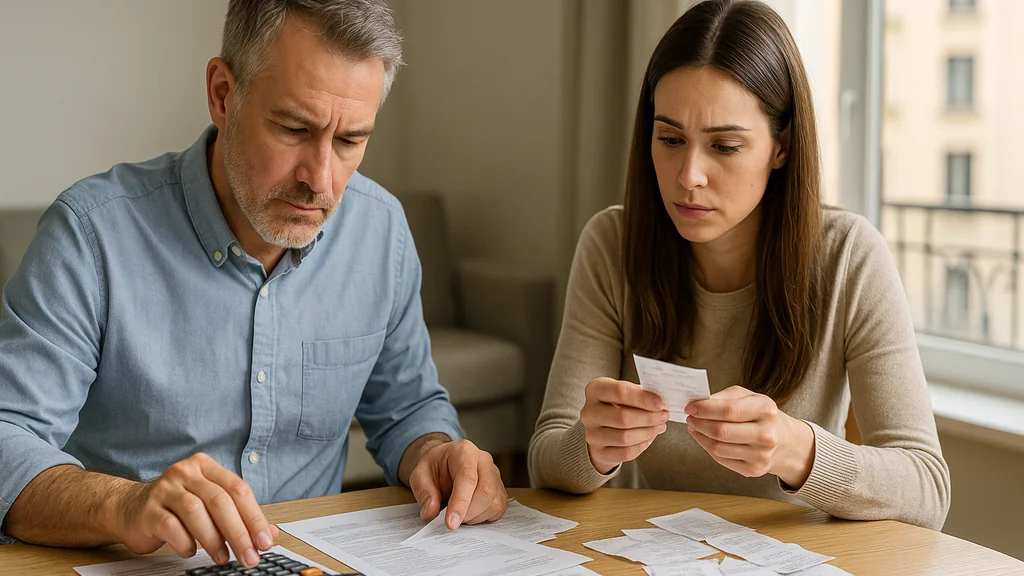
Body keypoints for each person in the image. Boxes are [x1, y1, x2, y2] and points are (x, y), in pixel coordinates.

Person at [0, 0, 507, 567]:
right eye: (294, 128)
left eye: (349, 142)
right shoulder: (91, 235)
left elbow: (408, 408)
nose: (320, 179)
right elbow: (6, 436)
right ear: (222, 94)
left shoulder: (381, 231)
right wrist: (126, 505)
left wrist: (435, 453)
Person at [529, 0, 950, 530]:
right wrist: (592, 448)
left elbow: (927, 489)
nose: (689, 176)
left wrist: (798, 451)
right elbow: (546, 456)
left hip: (800, 559)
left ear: (782, 146)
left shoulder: (850, 256)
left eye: (725, 146)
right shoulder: (611, 244)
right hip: (648, 553)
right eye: (669, 139)